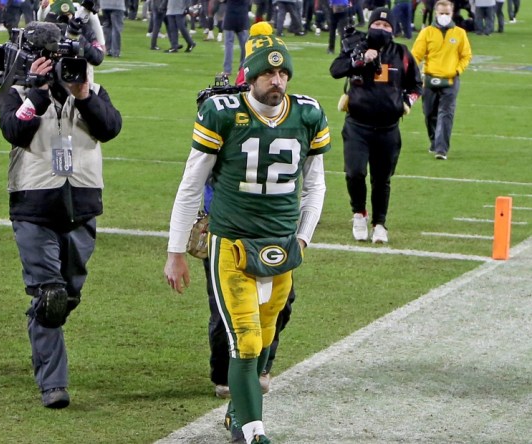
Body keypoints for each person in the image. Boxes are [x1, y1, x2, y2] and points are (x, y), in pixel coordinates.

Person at [164, 22, 330, 443]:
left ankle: (238, 413)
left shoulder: (308, 114)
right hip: (231, 243)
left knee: (267, 336)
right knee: (246, 340)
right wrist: (175, 251)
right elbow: (189, 184)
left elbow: (316, 184)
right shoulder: (223, 112)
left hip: (281, 245)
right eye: (267, 75)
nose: (276, 82)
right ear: (250, 77)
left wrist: (305, 237)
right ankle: (252, 432)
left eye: (282, 74)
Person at [0, 20, 122, 408]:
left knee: (66, 297)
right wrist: (36, 92)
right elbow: (13, 131)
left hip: (81, 204)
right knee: (49, 295)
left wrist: (82, 93)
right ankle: (54, 384)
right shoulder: (15, 92)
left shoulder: (91, 88)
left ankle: (42, 325)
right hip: (34, 204)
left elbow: (110, 127)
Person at [330, 7, 421, 244]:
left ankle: (380, 223)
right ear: (369, 26)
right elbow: (336, 70)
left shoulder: (401, 53)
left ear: (393, 29)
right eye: (377, 26)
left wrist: (406, 103)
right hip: (358, 125)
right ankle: (359, 213)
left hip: (388, 128)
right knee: (355, 173)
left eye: (386, 26)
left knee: (382, 178)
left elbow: (416, 85)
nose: (381, 30)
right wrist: (359, 60)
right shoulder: (355, 46)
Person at [411, 0, 471, 161]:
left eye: (447, 13)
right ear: (435, 13)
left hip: (451, 80)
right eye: (441, 13)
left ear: (452, 13)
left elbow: (466, 55)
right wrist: (412, 72)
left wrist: (457, 70)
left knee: (446, 113)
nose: (444, 16)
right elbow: (416, 55)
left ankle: (441, 149)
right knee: (429, 113)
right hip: (430, 79)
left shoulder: (459, 33)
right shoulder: (426, 33)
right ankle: (434, 141)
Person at [221, 0, 250, 77]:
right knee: (245, 45)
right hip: (242, 16)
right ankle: (242, 69)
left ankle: (227, 70)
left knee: (228, 45)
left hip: (230, 16)